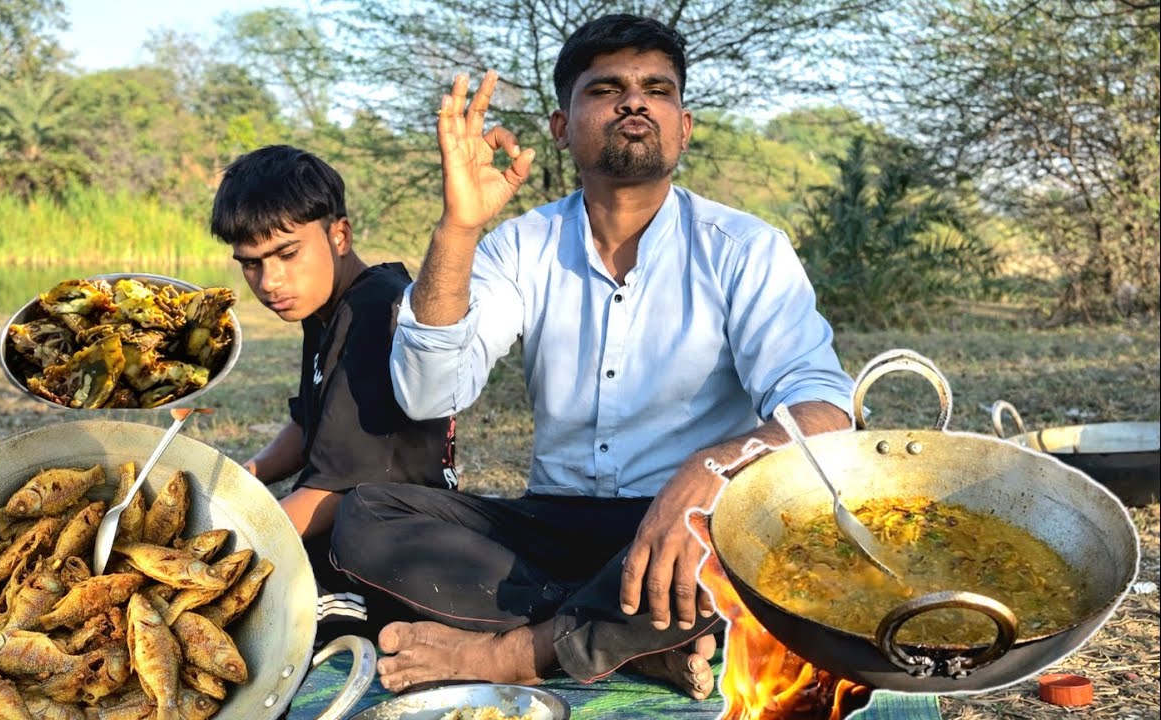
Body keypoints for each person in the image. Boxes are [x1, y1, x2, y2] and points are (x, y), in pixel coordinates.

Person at [330, 14, 854, 699]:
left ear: (684, 125)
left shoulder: (745, 248)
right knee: (366, 520)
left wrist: (709, 470)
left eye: (656, 89)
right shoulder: (522, 245)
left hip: (688, 524)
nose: (634, 101)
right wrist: (459, 228)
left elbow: (825, 410)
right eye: (607, 88)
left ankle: (515, 653)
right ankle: (631, 642)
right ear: (560, 125)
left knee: (756, 541)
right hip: (556, 523)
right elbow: (431, 395)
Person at [209, 145, 458, 643]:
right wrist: (238, 482)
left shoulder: (373, 312)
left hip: (395, 551)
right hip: (349, 522)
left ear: (338, 235)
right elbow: (309, 426)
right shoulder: (327, 304)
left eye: (286, 253)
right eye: (251, 264)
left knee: (251, 620)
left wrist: (219, 551)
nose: (270, 281)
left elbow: (335, 489)